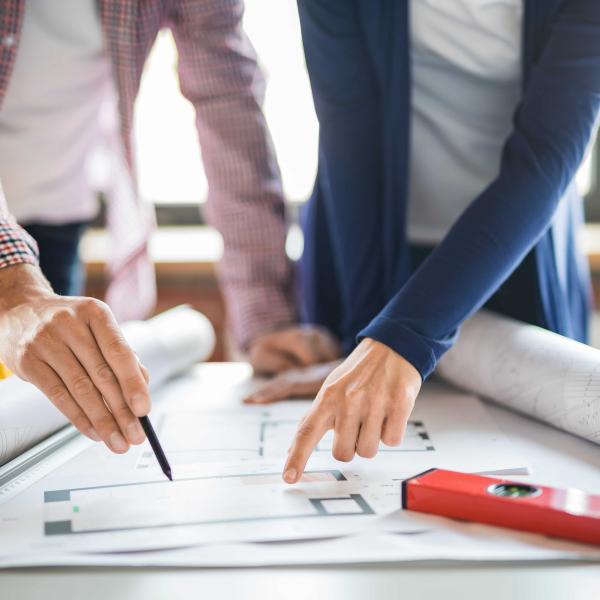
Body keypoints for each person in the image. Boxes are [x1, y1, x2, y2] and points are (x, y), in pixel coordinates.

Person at [243, 0, 600, 484]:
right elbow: (352, 135)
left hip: (515, 250)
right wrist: (364, 337)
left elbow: (545, 160)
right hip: (368, 253)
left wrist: (406, 336)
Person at [0, 0, 338, 455]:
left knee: (29, 441)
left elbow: (227, 102)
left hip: (53, 222)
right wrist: (14, 290)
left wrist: (267, 321)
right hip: (15, 266)